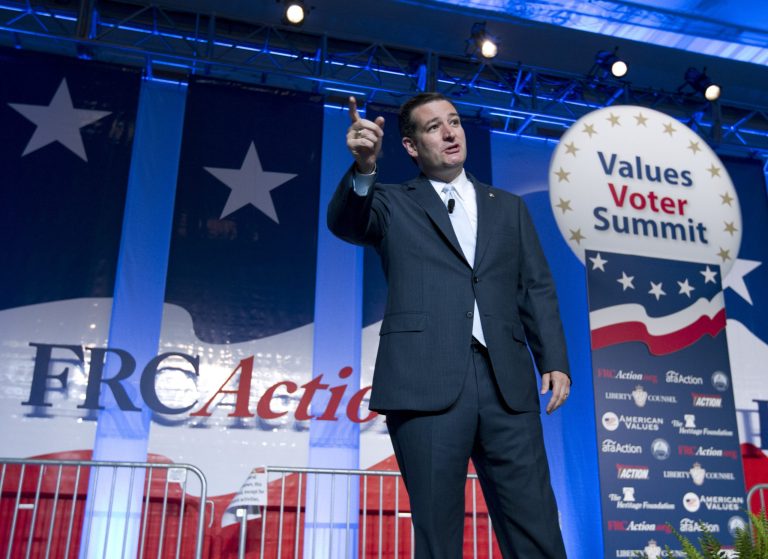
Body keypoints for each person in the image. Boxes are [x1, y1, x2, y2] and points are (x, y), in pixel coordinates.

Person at [328, 93, 570, 558]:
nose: (450, 132)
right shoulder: (391, 202)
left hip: (507, 385)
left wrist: (554, 359)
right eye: (434, 126)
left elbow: (535, 289)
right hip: (425, 385)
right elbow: (347, 223)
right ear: (412, 146)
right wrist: (363, 168)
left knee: (537, 523)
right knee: (438, 534)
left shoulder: (509, 207)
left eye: (454, 122)